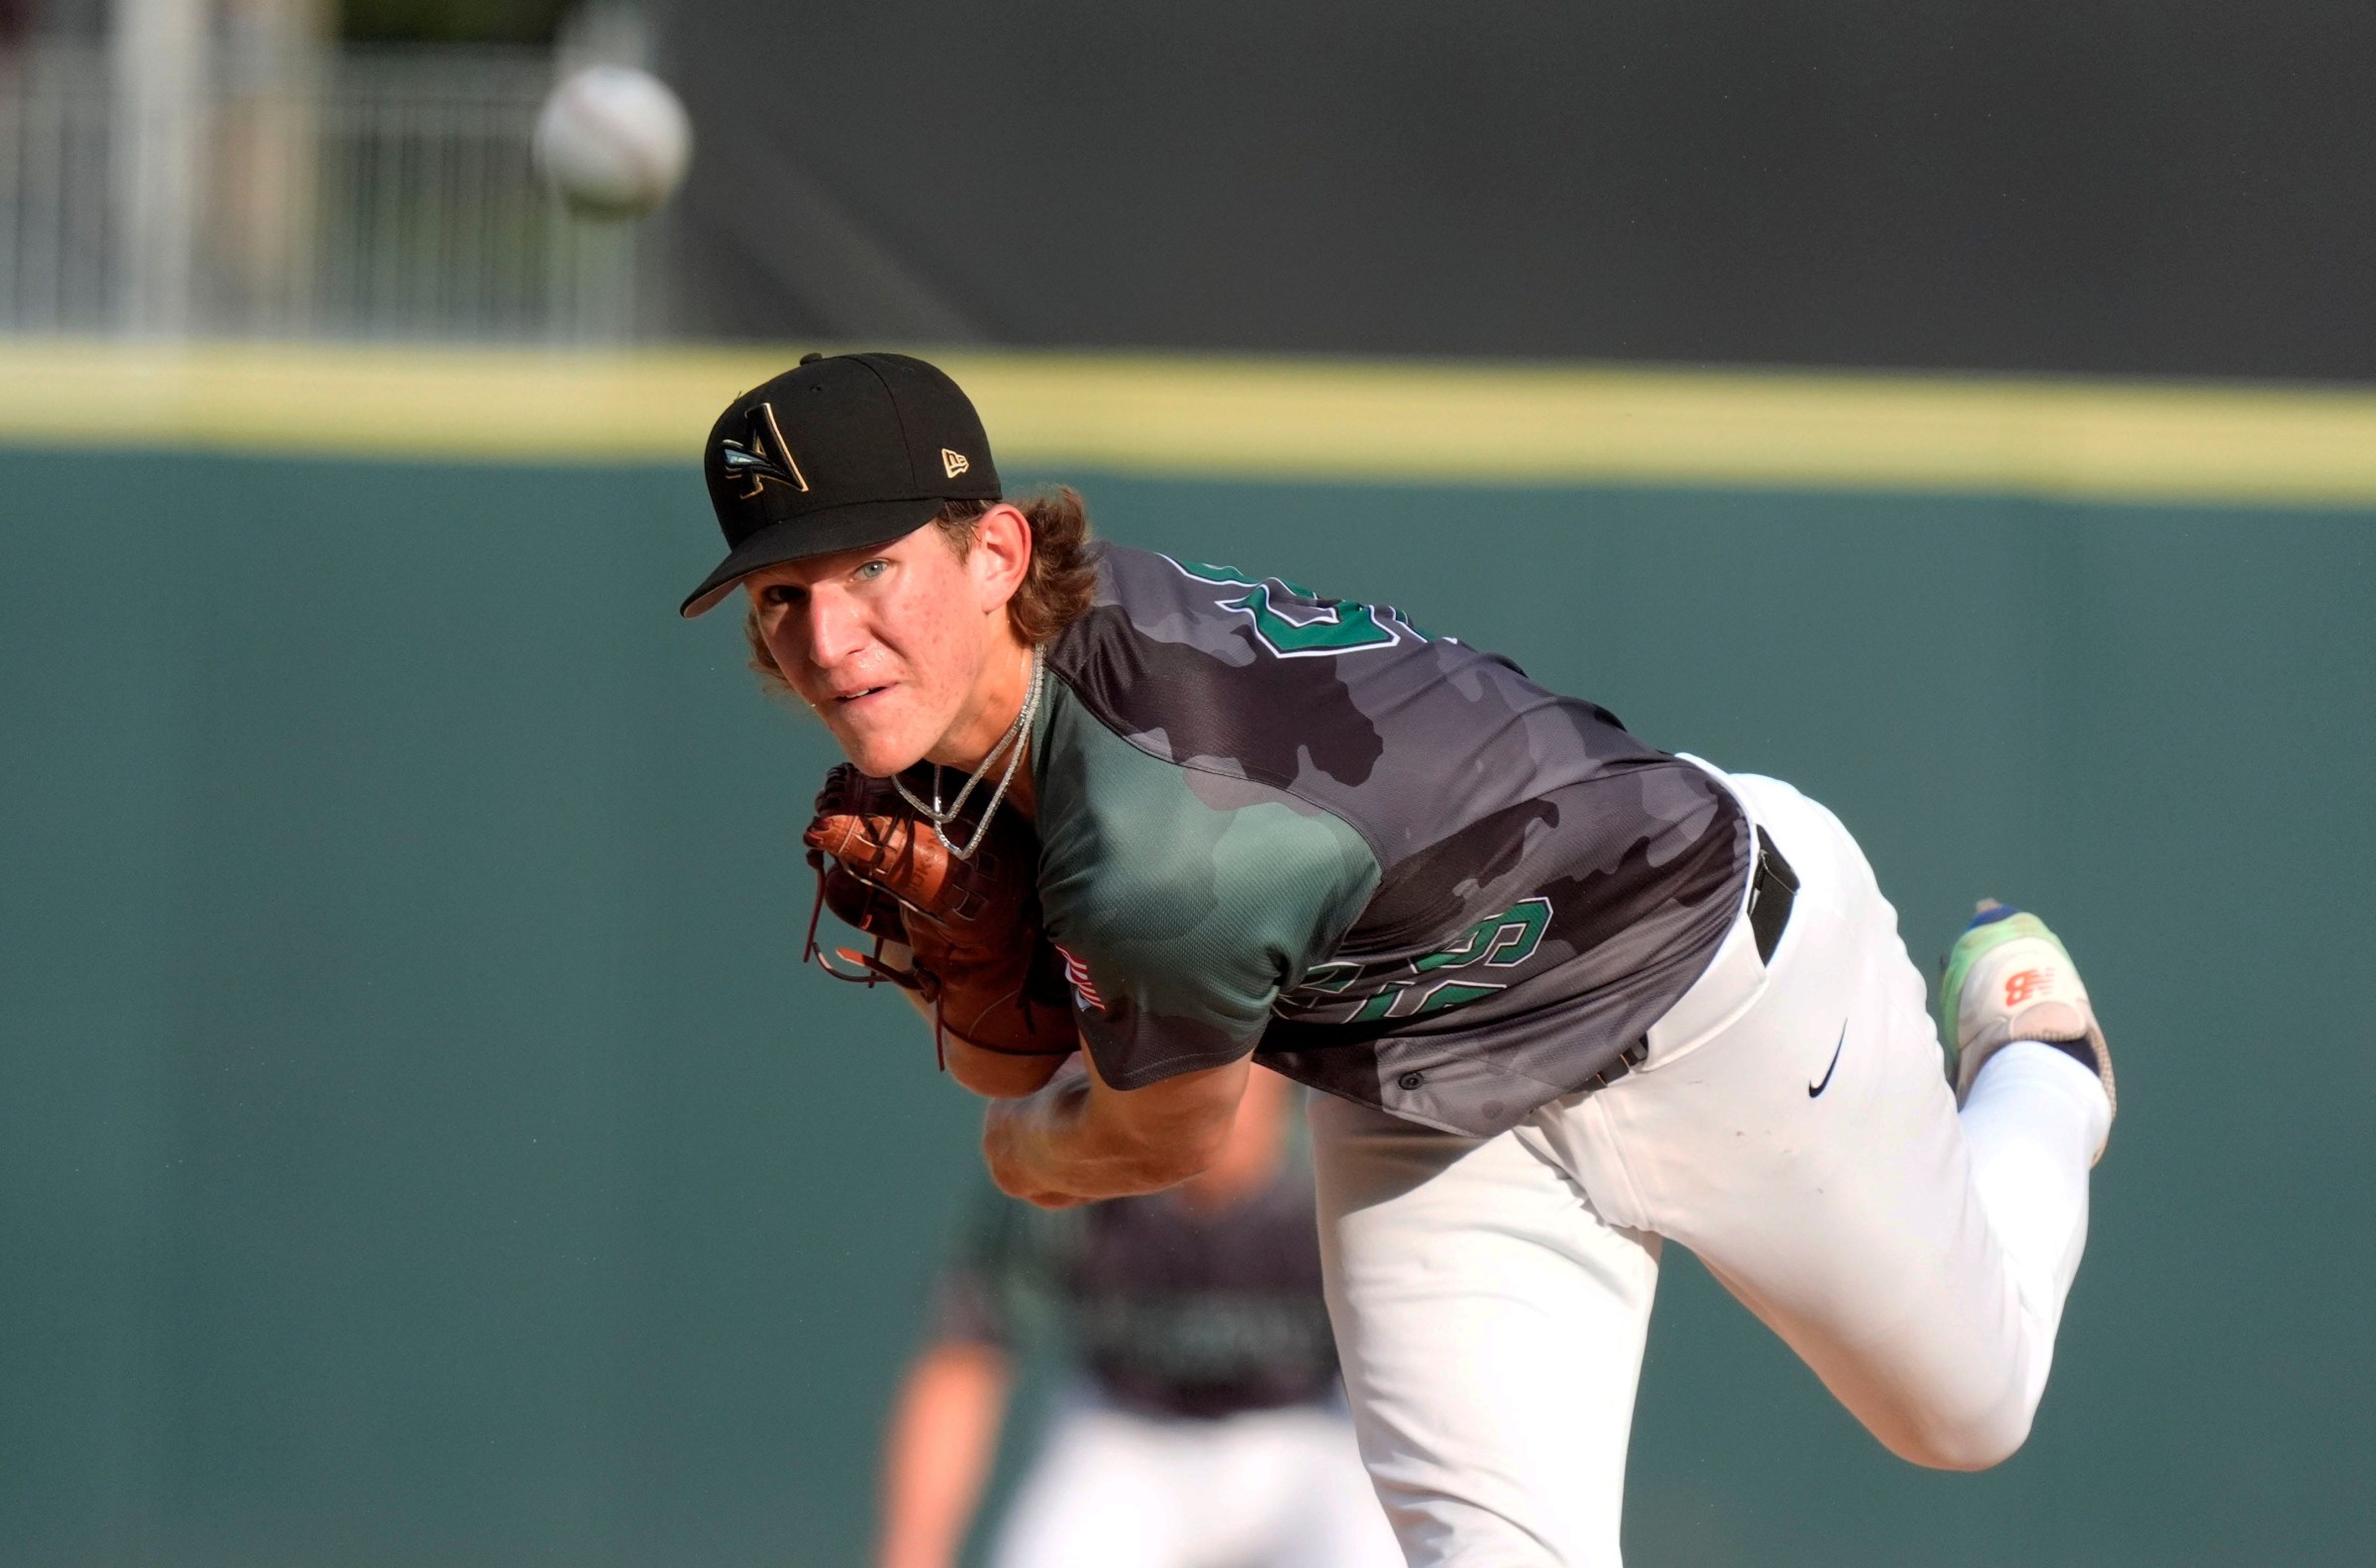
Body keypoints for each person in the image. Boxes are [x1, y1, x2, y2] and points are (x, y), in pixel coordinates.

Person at [682, 352, 2119, 1568]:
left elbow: (1158, 1137)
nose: (827, 636)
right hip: (1431, 1092)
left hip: (1707, 988)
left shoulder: (1160, 845)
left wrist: (1019, 1149)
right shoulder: (1056, 664)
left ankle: (2043, 1065)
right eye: (779, 598)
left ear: (995, 553)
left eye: (873, 567)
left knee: (1968, 1413)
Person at [874, 1067, 1401, 1568]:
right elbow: (967, 1355)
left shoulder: (1334, 1164)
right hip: (1126, 1438)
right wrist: (913, 1553)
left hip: (1314, 1440)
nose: (1215, 1074)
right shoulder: (1070, 1154)